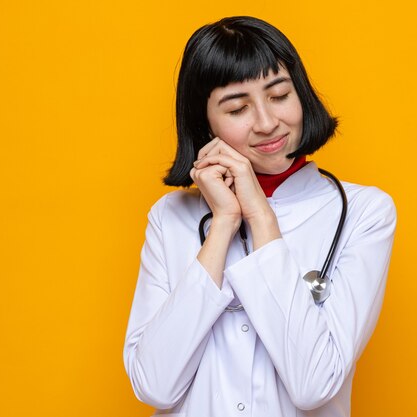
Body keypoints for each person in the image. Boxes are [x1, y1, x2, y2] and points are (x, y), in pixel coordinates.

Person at [123, 16, 396, 417]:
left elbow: (313, 385)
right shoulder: (170, 218)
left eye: (280, 95)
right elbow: (154, 386)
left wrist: (260, 217)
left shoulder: (364, 213)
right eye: (237, 108)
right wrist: (224, 223)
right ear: (205, 123)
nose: (267, 123)